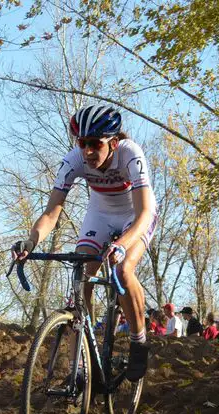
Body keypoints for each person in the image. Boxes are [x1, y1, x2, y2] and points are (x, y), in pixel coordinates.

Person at [12, 105, 157, 381]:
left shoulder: (130, 154)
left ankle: (139, 341)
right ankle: (82, 361)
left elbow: (144, 213)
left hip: (135, 214)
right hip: (100, 213)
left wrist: (123, 245)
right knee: (82, 276)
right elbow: (52, 211)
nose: (88, 151)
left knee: (123, 270)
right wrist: (31, 241)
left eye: (95, 144)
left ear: (113, 143)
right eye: (82, 143)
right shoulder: (72, 161)